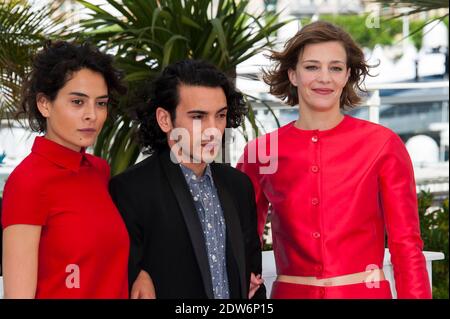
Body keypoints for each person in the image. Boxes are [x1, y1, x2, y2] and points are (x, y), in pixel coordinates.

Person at [237, 21, 432, 299]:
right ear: (293, 74)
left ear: (347, 75)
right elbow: (241, 240)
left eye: (336, 68)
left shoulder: (382, 144)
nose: (325, 78)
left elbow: (406, 245)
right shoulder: (261, 152)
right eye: (312, 67)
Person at [109, 59, 265, 299]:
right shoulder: (131, 190)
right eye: (198, 117)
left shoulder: (239, 186)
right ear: (164, 119)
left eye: (220, 115)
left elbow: (254, 276)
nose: (213, 130)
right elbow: (123, 274)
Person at [1, 41, 129, 298]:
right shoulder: (28, 182)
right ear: (44, 104)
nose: (92, 114)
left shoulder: (99, 171)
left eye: (101, 103)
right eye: (78, 102)